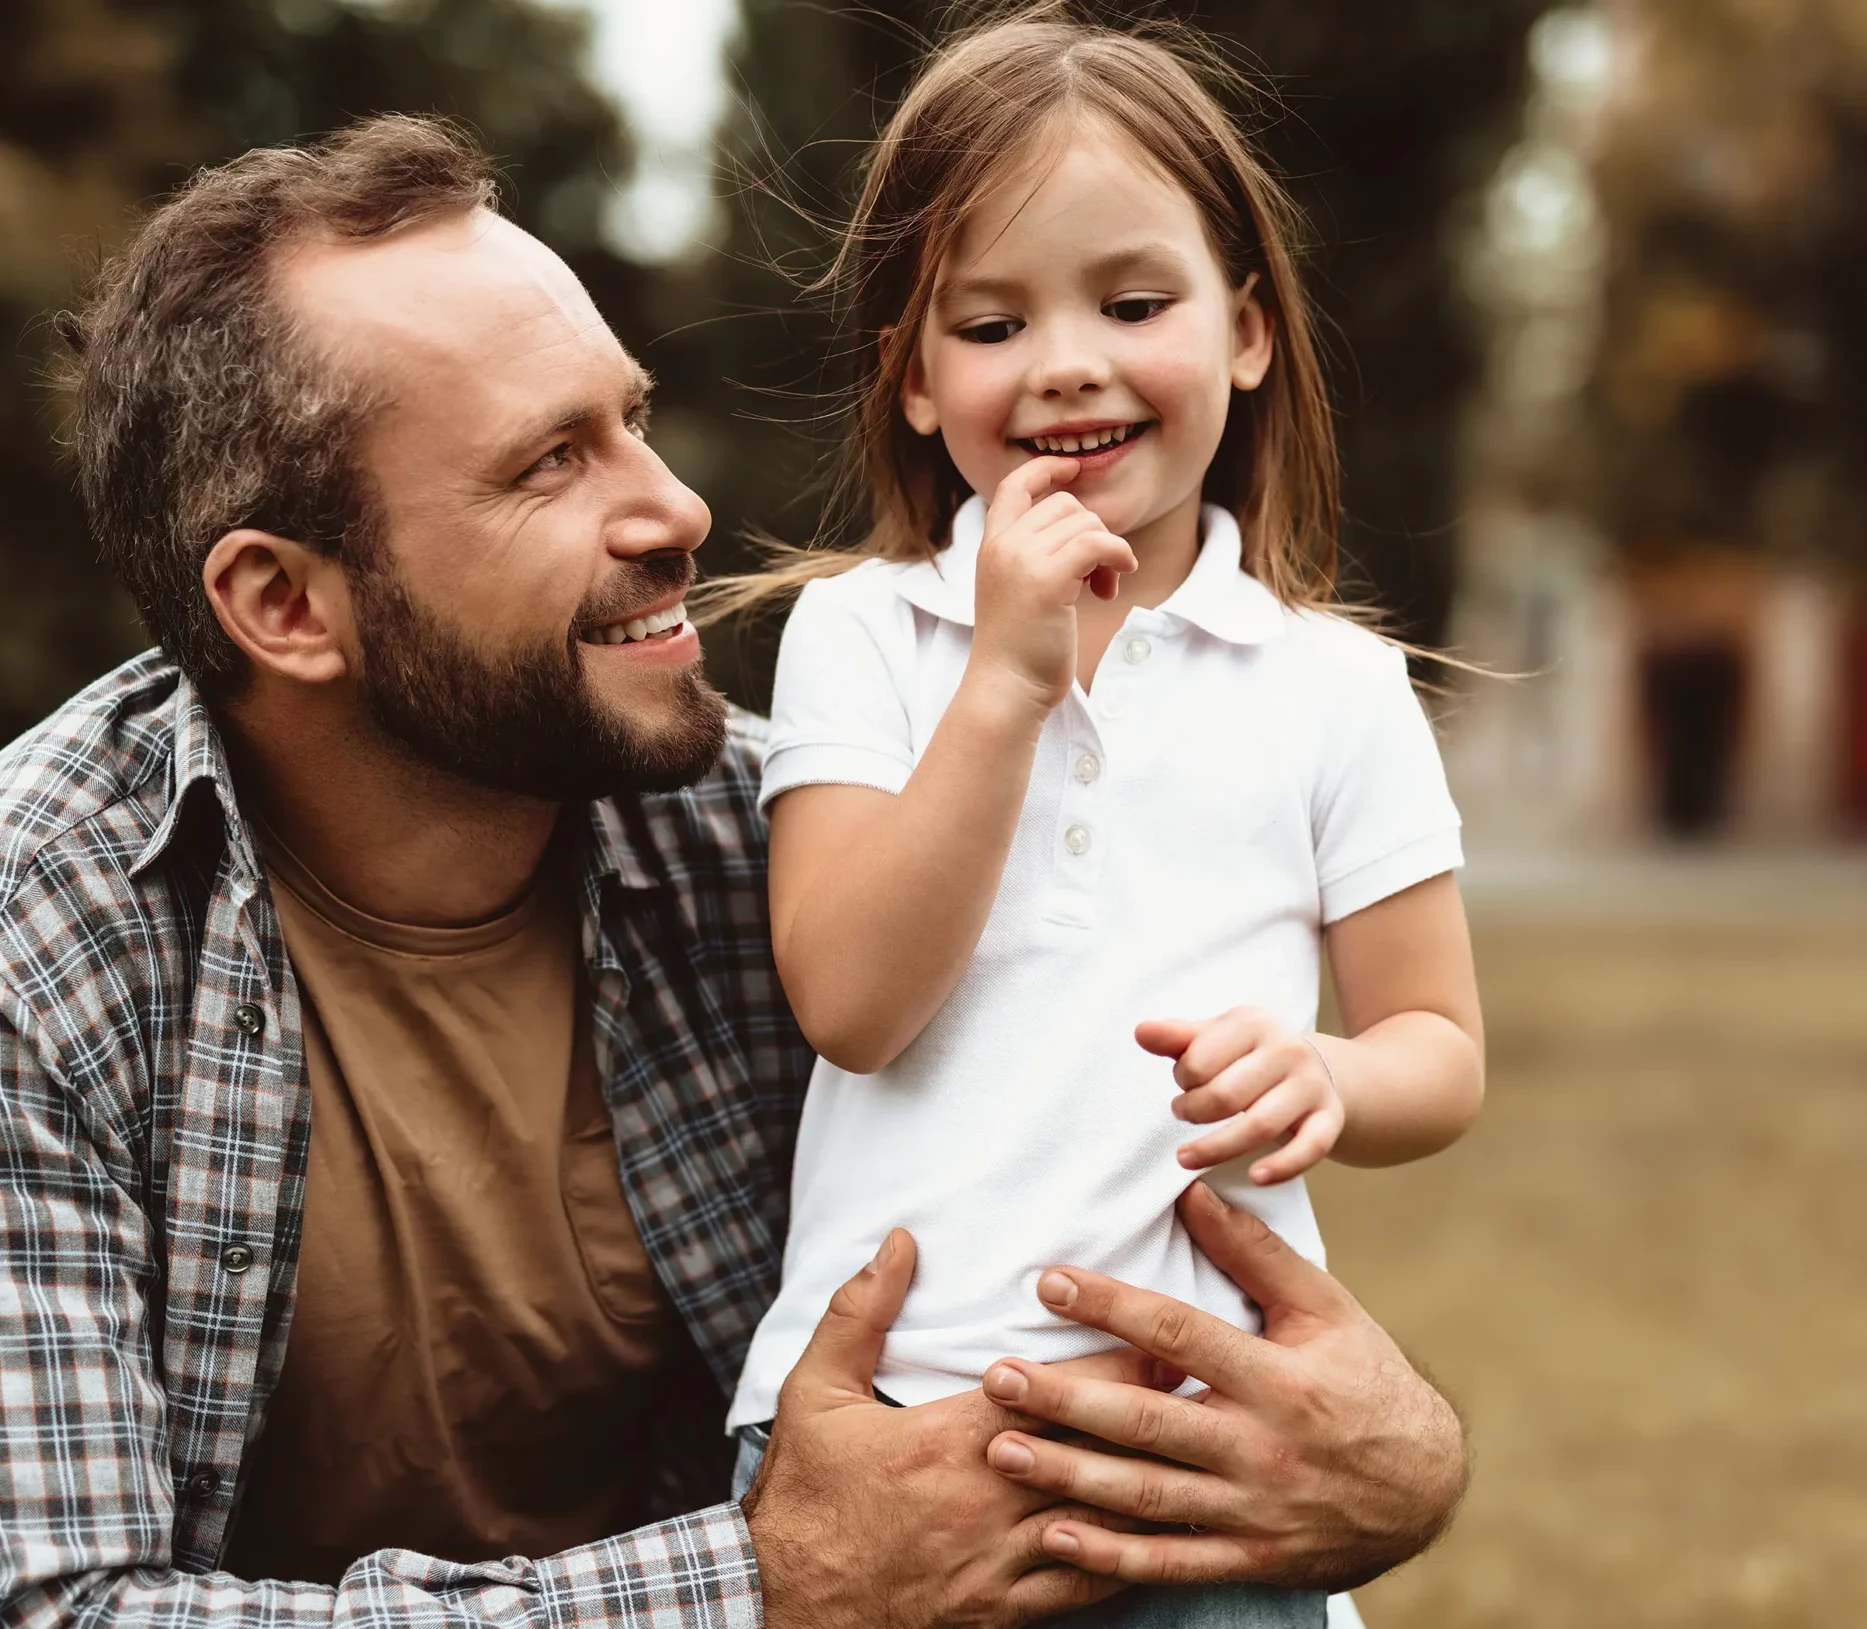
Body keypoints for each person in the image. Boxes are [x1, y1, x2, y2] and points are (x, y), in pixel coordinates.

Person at [0, 112, 1467, 1629]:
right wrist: (762, 1586)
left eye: (630, 419)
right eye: (547, 464)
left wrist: (1399, 1458)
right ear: (283, 606)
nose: (679, 510)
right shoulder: (40, 945)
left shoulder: (766, 827)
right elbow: (60, 1610)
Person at [719, 14, 1486, 1625]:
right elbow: (852, 1005)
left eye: (1134, 305)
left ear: (1250, 335)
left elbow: (1439, 1049)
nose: (1067, 360)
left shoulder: (1334, 687)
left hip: (1211, 1455)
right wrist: (1004, 680)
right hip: (905, 1437)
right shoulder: (862, 638)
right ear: (915, 385)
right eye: (992, 323)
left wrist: (1331, 1075)